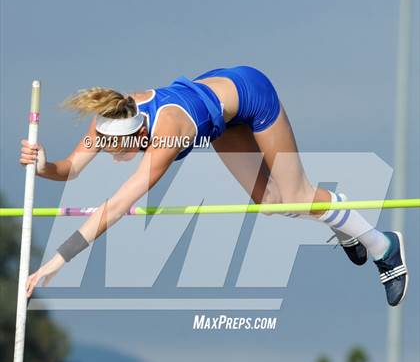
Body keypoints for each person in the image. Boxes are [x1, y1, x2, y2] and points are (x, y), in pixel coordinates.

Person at [20, 66, 408, 305]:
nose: (113, 155)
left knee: (296, 196)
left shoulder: (165, 137)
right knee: (271, 204)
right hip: (218, 116)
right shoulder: (107, 121)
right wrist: (43, 167)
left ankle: (383, 245)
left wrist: (55, 264)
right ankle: (340, 221)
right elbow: (70, 169)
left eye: (120, 151)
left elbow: (115, 207)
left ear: (141, 133)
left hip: (251, 98)